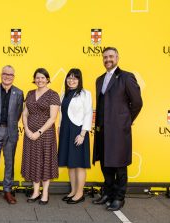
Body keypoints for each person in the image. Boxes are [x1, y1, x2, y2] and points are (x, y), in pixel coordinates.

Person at [92, 47, 143, 211]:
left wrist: (126, 121)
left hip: (119, 131)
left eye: (111, 56)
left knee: (119, 165)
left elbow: (137, 103)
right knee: (106, 164)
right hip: (102, 130)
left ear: (117, 57)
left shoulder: (126, 77)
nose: (108, 59)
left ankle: (119, 198)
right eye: (105, 57)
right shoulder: (99, 79)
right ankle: (108, 193)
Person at [0, 65, 24, 206]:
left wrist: (11, 125)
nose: (7, 76)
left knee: (9, 163)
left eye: (10, 74)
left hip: (11, 132)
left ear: (14, 76)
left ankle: (8, 190)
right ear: (1, 75)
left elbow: (18, 113)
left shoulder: (19, 93)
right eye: (5, 74)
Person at [21, 68, 60, 205]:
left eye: (43, 77)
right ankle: (36, 191)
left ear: (48, 79)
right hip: (29, 133)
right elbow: (25, 113)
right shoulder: (30, 93)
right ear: (34, 79)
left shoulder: (53, 95)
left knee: (45, 162)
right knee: (33, 161)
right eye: (37, 77)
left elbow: (52, 118)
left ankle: (45, 193)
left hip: (45, 135)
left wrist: (38, 132)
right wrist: (26, 129)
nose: (40, 80)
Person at [58, 68, 92, 204]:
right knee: (70, 164)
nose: (71, 80)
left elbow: (88, 113)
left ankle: (79, 193)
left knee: (79, 164)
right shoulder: (64, 94)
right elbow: (61, 114)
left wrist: (82, 134)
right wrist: (59, 128)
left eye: (75, 78)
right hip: (66, 130)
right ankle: (72, 191)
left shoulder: (85, 94)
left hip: (78, 131)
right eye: (69, 78)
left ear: (79, 80)